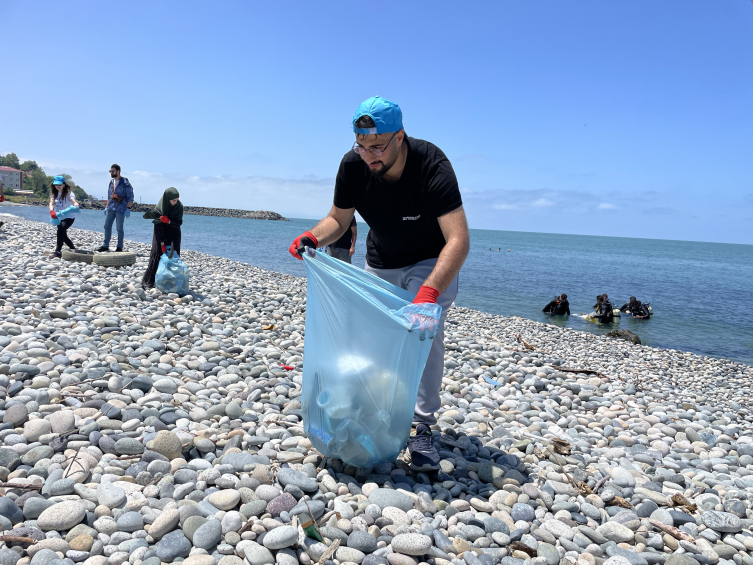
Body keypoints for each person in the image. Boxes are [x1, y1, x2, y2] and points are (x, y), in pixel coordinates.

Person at [288, 96, 470, 471]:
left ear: (399, 137)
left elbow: (459, 240)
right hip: (381, 259)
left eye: (377, 146)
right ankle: (376, 413)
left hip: (430, 262)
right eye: (362, 145)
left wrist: (429, 294)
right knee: (369, 340)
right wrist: (311, 237)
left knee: (423, 338)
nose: (368, 155)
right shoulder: (353, 166)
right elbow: (338, 219)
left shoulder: (431, 164)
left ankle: (421, 426)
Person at [141, 187, 183, 290]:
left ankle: (171, 282)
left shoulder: (179, 206)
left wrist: (169, 221)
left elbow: (179, 223)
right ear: (167, 198)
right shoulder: (160, 207)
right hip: (161, 230)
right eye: (173, 200)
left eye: (177, 200)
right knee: (157, 253)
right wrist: (161, 242)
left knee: (173, 255)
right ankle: (149, 281)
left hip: (174, 232)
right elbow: (157, 223)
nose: (175, 202)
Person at [97, 164, 134, 252]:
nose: (111, 173)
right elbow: (109, 196)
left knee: (119, 229)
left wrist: (128, 208)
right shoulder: (111, 182)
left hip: (121, 209)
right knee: (107, 226)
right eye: (110, 171)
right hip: (111, 208)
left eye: (113, 171)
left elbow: (130, 196)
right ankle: (105, 245)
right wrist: (106, 207)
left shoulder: (125, 183)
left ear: (118, 171)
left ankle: (119, 247)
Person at [48, 176, 79, 259]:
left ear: (64, 184)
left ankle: (58, 251)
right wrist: (51, 211)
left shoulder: (69, 193)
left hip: (69, 217)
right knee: (63, 236)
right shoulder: (53, 193)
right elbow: (51, 203)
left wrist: (76, 205)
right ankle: (73, 249)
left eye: (59, 184)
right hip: (58, 217)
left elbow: (74, 201)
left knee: (60, 230)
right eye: (56, 184)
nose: (57, 186)